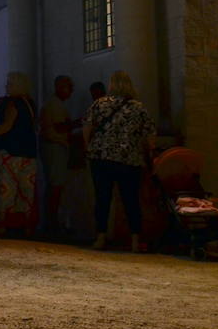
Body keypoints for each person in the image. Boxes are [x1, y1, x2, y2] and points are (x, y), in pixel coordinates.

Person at [85, 70, 157, 253]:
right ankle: (135, 239)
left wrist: (89, 147)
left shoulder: (99, 104)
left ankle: (100, 237)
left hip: (101, 157)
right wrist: (150, 154)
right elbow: (149, 135)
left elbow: (87, 127)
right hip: (129, 159)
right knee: (131, 199)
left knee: (102, 198)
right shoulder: (138, 107)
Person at [0, 71, 39, 237]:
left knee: (8, 188)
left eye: (9, 84)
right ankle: (26, 224)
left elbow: (7, 125)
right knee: (27, 190)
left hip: (12, 151)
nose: (6, 87)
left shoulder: (13, 103)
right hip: (29, 152)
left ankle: (4, 223)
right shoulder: (30, 103)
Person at [40, 75, 75, 235]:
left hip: (56, 148)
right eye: (69, 87)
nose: (71, 91)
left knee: (54, 186)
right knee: (55, 186)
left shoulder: (55, 104)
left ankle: (53, 220)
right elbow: (55, 128)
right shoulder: (53, 105)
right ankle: (51, 221)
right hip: (55, 149)